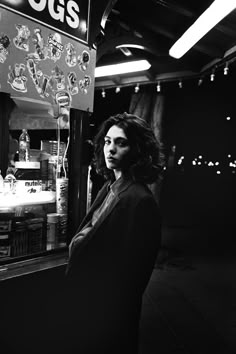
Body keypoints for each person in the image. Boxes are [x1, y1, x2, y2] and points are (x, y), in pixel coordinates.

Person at [64, 112, 163, 354]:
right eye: (108, 141)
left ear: (138, 150)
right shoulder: (110, 187)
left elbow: (134, 274)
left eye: (121, 143)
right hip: (90, 306)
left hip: (110, 316)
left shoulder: (139, 200)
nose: (111, 149)